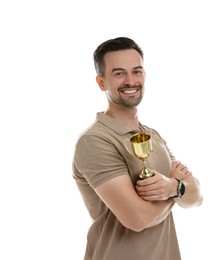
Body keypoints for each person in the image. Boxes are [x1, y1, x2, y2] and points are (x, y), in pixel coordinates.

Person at [72, 36, 203, 260]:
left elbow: (197, 196)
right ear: (101, 82)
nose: (130, 81)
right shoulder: (95, 141)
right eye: (119, 73)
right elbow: (137, 219)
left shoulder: (153, 136)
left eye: (136, 71)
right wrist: (175, 192)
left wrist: (173, 187)